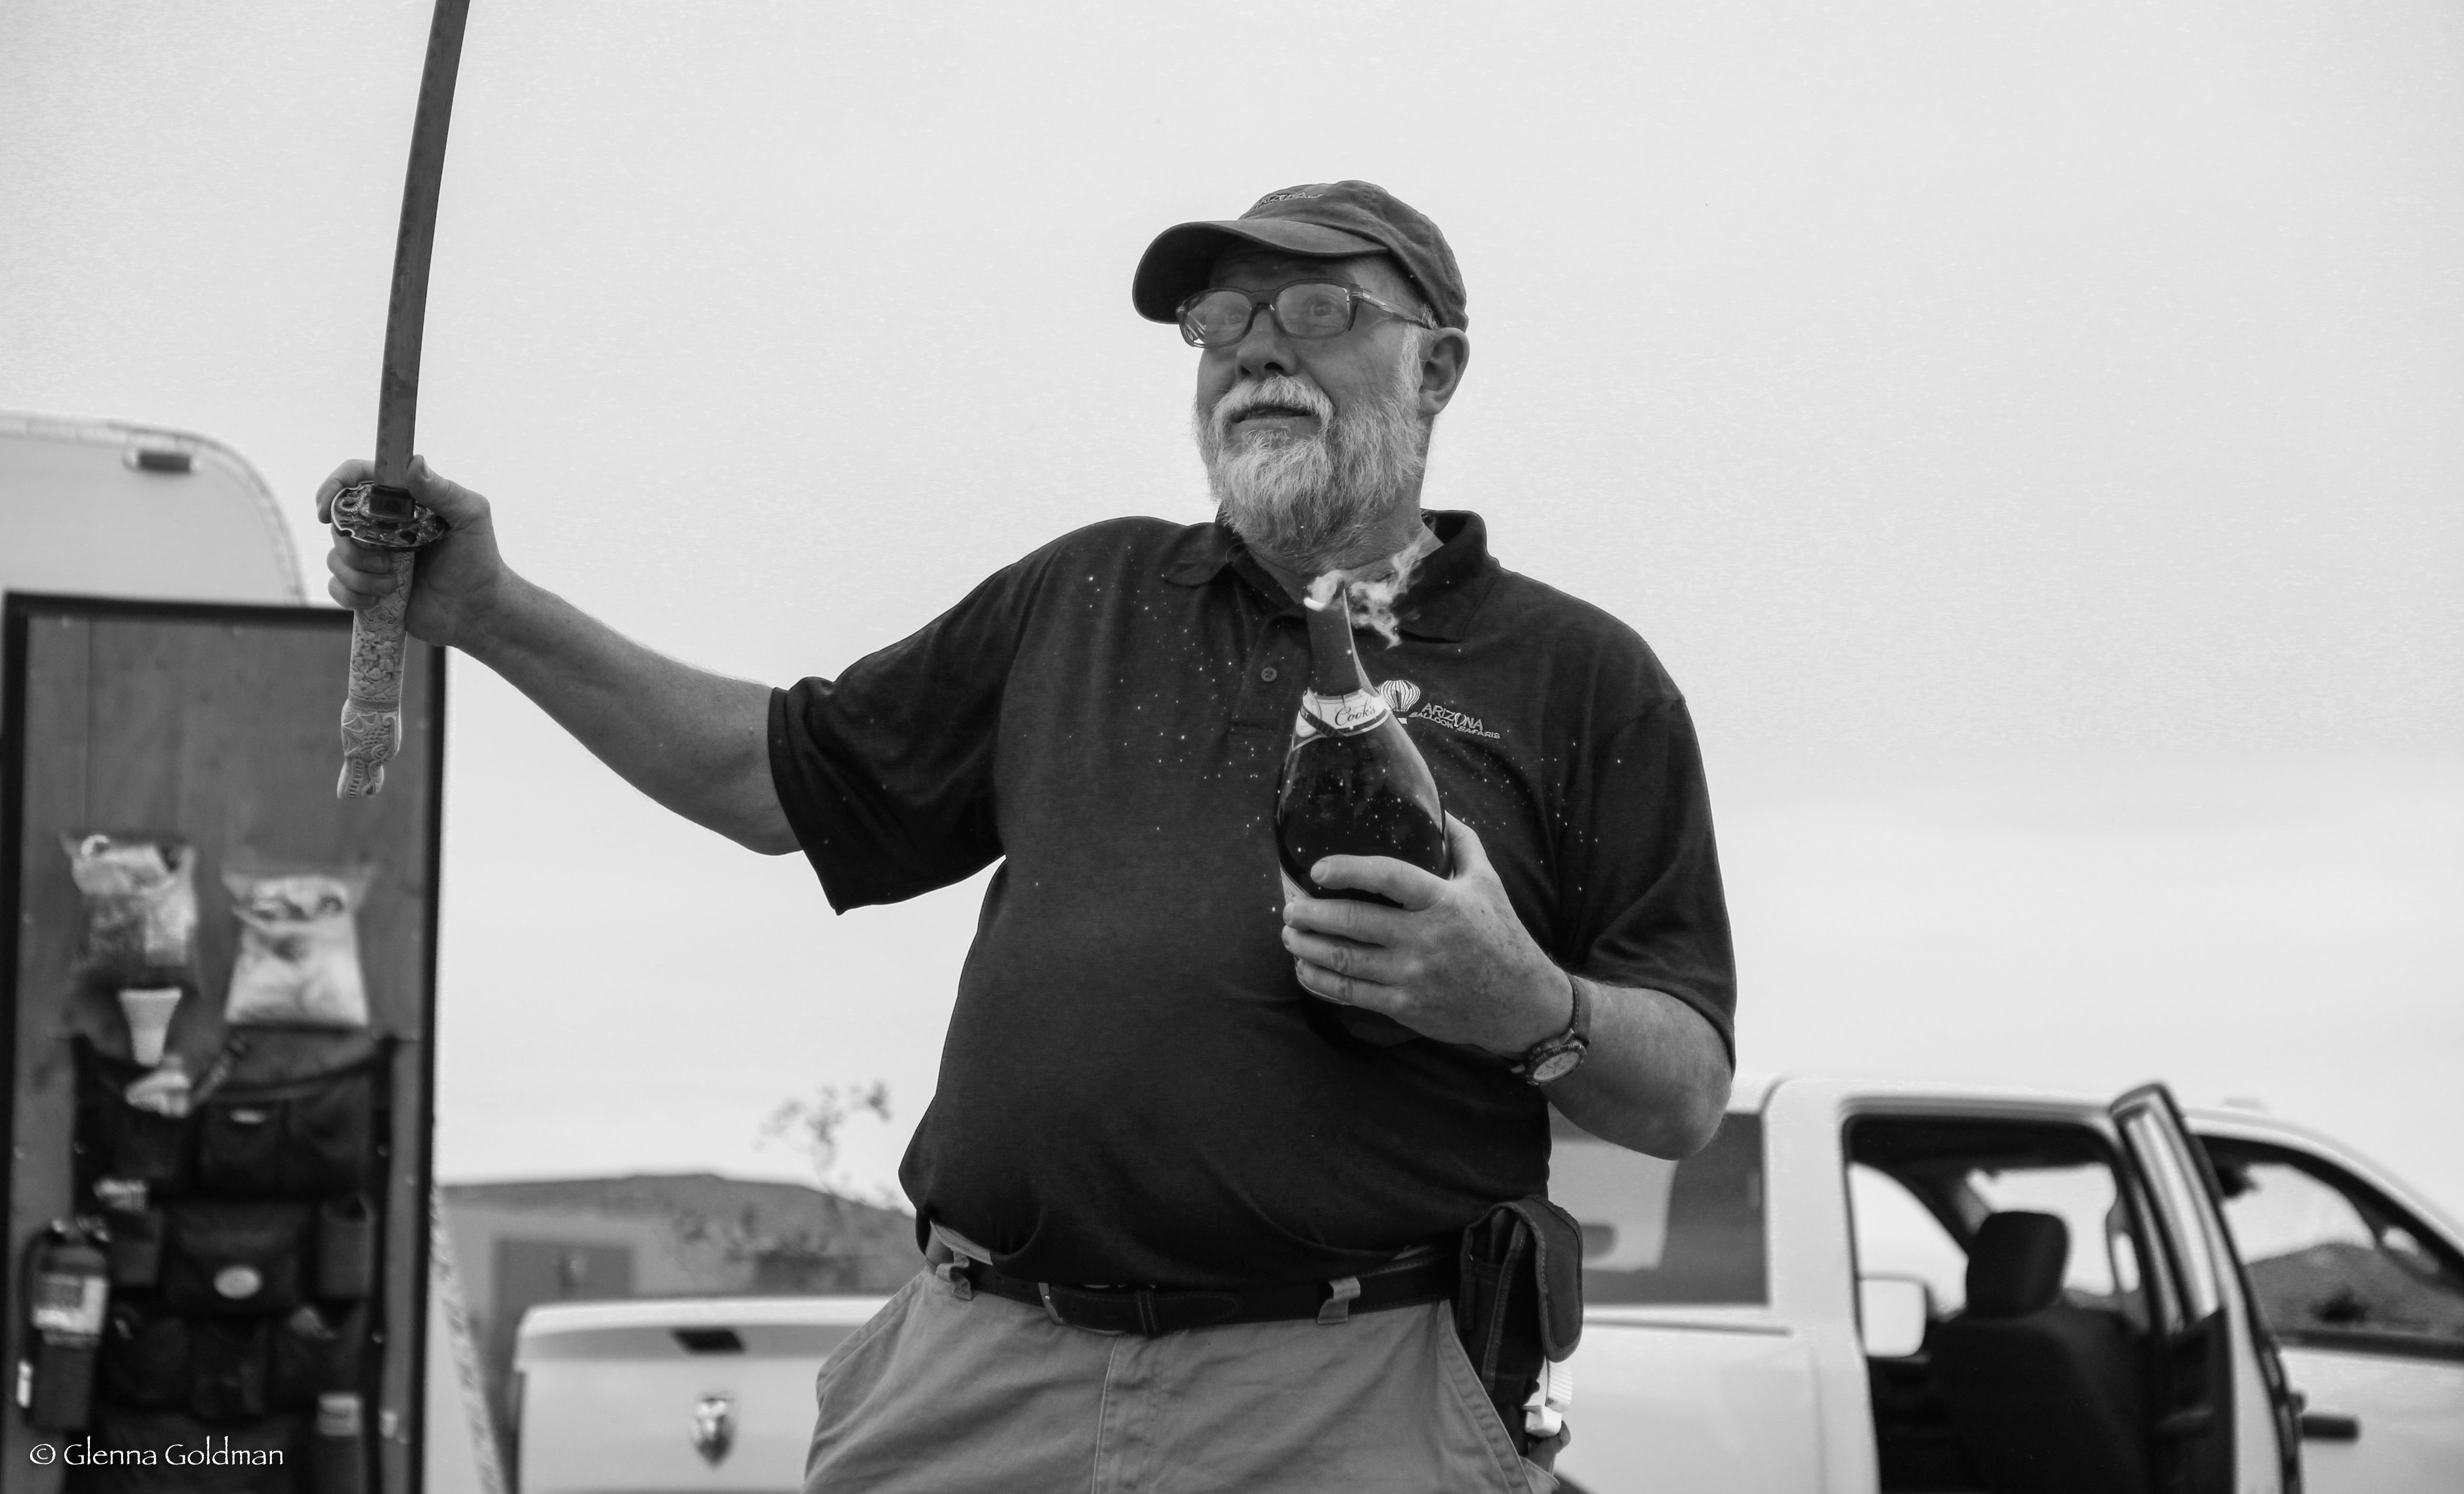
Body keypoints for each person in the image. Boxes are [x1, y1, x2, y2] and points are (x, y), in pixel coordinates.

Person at [320, 181, 1736, 1493]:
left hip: (1346, 1393)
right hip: (978, 1375)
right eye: (1221, 320)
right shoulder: (1086, 597)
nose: (1257, 349)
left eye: (1318, 310)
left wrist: (1526, 1007)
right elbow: (767, 779)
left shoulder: (1580, 679)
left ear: (1437, 368)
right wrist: (487, 609)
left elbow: (1681, 1096)